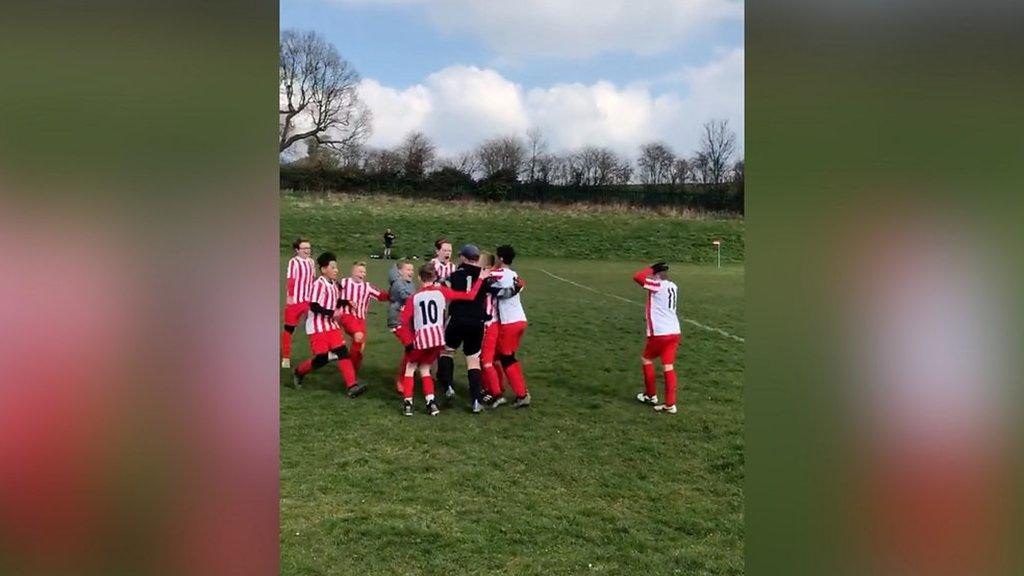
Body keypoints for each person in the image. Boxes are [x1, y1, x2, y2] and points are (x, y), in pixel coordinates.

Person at [395, 263, 489, 416]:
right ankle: (431, 402)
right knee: (425, 368)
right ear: (435, 277)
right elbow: (470, 296)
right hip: (438, 340)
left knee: (410, 368)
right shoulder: (442, 292)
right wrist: (481, 279)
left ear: (419, 278)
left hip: (422, 339)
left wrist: (408, 342)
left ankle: (408, 403)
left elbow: (403, 322)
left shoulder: (414, 297)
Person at [291, 252, 366, 398]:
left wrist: (346, 302)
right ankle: (299, 372)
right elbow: (314, 306)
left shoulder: (334, 285)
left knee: (343, 352)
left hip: (331, 325)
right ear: (324, 269)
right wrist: (332, 314)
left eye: (336, 267)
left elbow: (333, 301)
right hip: (317, 326)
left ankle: (352, 386)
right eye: (332, 267)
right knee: (321, 358)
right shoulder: (318, 284)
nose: (336, 270)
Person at [436, 244, 496, 412]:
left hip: (457, 319)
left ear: (462, 257)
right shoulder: (484, 276)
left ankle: (448, 386)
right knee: (473, 360)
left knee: (447, 351)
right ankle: (476, 401)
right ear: (476, 259)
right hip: (477, 322)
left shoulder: (454, 275)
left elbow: (441, 290)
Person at [632, 261, 681, 413]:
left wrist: (651, 268)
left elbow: (637, 277)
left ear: (656, 275)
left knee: (646, 359)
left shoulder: (657, 286)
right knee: (668, 366)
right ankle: (670, 404)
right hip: (674, 331)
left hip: (660, 333)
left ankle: (651, 395)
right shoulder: (673, 286)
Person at [479, 252, 523, 408]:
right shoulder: (510, 274)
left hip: (493, 323)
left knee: (489, 361)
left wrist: (514, 290)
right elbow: (518, 285)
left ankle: (497, 393)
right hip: (507, 321)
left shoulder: (490, 276)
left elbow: (498, 292)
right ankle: (493, 389)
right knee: (496, 359)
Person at [489, 245, 531, 408]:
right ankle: (513, 390)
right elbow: (520, 285)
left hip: (509, 323)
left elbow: (484, 278)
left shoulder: (497, 274)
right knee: (505, 355)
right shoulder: (514, 275)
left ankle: (521, 394)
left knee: (506, 358)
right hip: (520, 320)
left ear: (500, 258)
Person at [336, 261, 389, 373]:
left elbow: (381, 296)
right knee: (358, 336)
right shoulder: (343, 283)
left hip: (361, 319)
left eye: (364, 272)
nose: (363, 274)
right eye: (360, 271)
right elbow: (331, 295)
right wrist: (345, 302)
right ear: (353, 271)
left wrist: (394, 293)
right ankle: (350, 371)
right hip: (347, 315)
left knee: (360, 347)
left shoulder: (367, 286)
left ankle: (351, 370)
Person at [281, 238, 314, 368]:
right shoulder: (293, 262)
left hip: (308, 301)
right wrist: (290, 295)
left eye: (309, 248)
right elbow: (291, 279)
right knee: (289, 329)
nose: (307, 250)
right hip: (295, 301)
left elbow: (312, 280)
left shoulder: (311, 262)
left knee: (317, 324)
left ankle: (325, 351)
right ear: (297, 250)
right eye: (304, 248)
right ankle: (286, 357)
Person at [386, 261, 416, 394]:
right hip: (397, 322)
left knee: (411, 349)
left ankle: (408, 374)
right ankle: (402, 379)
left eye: (412, 270)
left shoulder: (410, 284)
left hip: (406, 322)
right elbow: (406, 297)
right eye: (408, 269)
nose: (411, 272)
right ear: (400, 272)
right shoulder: (398, 284)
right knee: (411, 347)